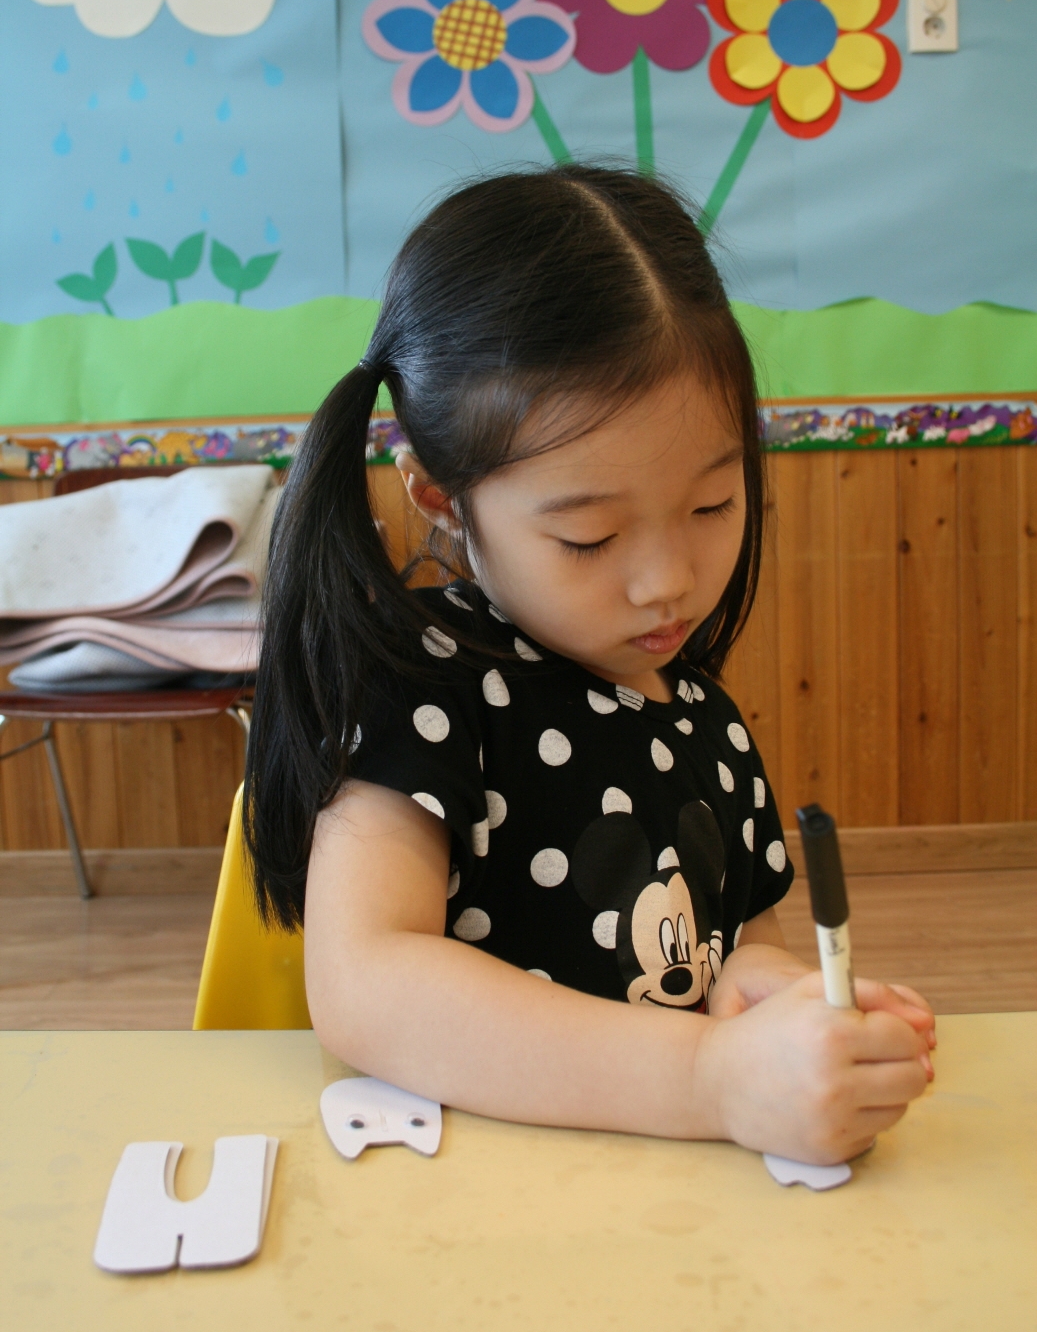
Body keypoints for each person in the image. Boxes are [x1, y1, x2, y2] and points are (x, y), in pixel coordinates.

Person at [246, 164, 935, 1165]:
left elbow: (739, 946)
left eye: (712, 504)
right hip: (471, 1209)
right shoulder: (423, 683)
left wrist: (770, 1004)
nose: (667, 581)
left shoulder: (705, 720)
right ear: (441, 498)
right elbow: (364, 985)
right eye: (590, 536)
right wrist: (707, 1077)